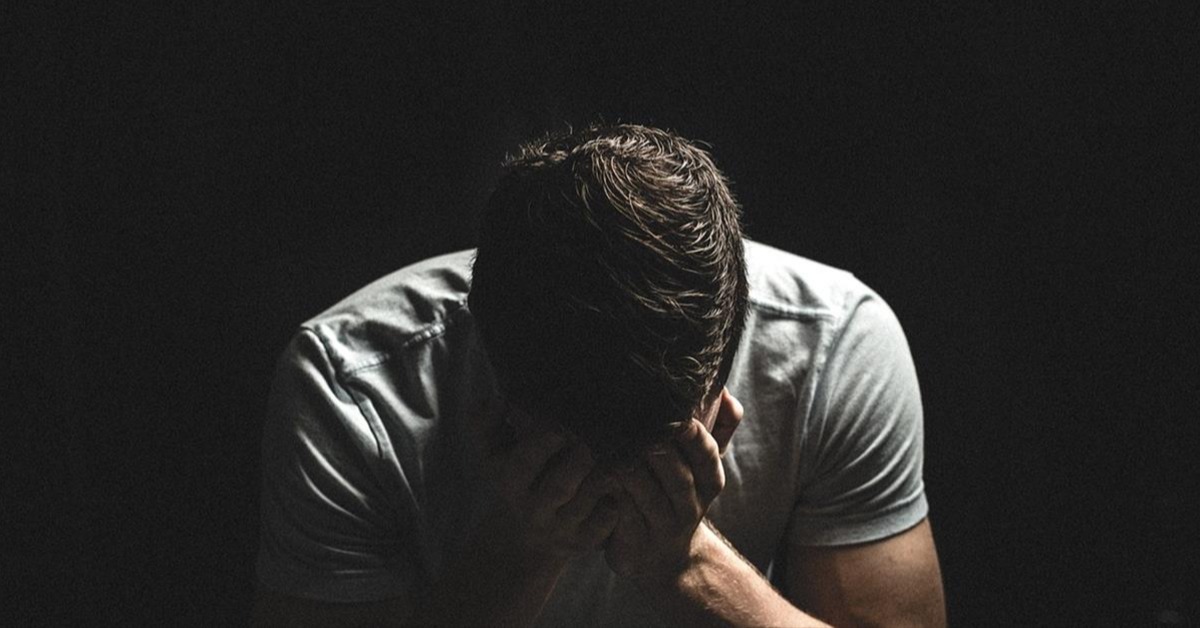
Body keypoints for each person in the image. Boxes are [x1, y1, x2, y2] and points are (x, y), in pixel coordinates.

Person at [252, 124, 946, 627]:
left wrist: (691, 564)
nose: (609, 493)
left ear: (726, 368)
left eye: (657, 447)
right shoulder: (350, 390)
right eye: (569, 451)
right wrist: (519, 552)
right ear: (489, 362)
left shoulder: (835, 346)